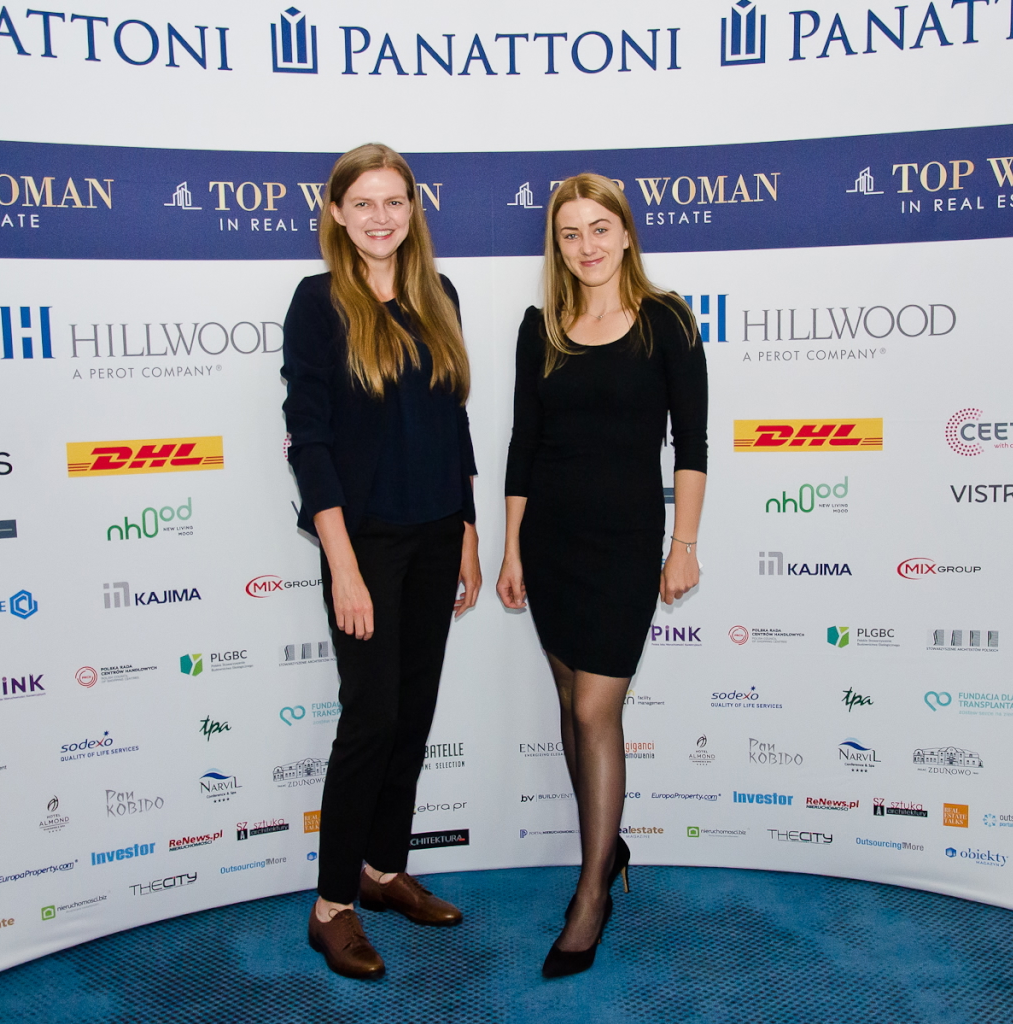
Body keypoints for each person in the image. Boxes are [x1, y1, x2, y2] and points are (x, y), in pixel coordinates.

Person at [496, 173, 707, 978]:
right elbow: (523, 444)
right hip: (550, 541)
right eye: (569, 233)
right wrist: (511, 548)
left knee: (594, 709)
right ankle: (604, 846)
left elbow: (691, 443)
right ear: (556, 245)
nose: (585, 245)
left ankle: (591, 894)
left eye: (598, 228)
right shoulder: (540, 328)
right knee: (567, 700)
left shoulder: (666, 321)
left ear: (624, 233)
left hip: (623, 544)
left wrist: (683, 545)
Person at [282, 143, 481, 980]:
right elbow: (309, 440)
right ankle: (332, 906)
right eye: (362, 202)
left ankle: (384, 868)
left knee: (413, 713)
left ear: (412, 210)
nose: (379, 217)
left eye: (393, 201)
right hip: (363, 543)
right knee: (369, 721)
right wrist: (343, 564)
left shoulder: (439, 293)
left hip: (437, 534)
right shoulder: (317, 302)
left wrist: (468, 530)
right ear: (335, 212)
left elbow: (451, 420)